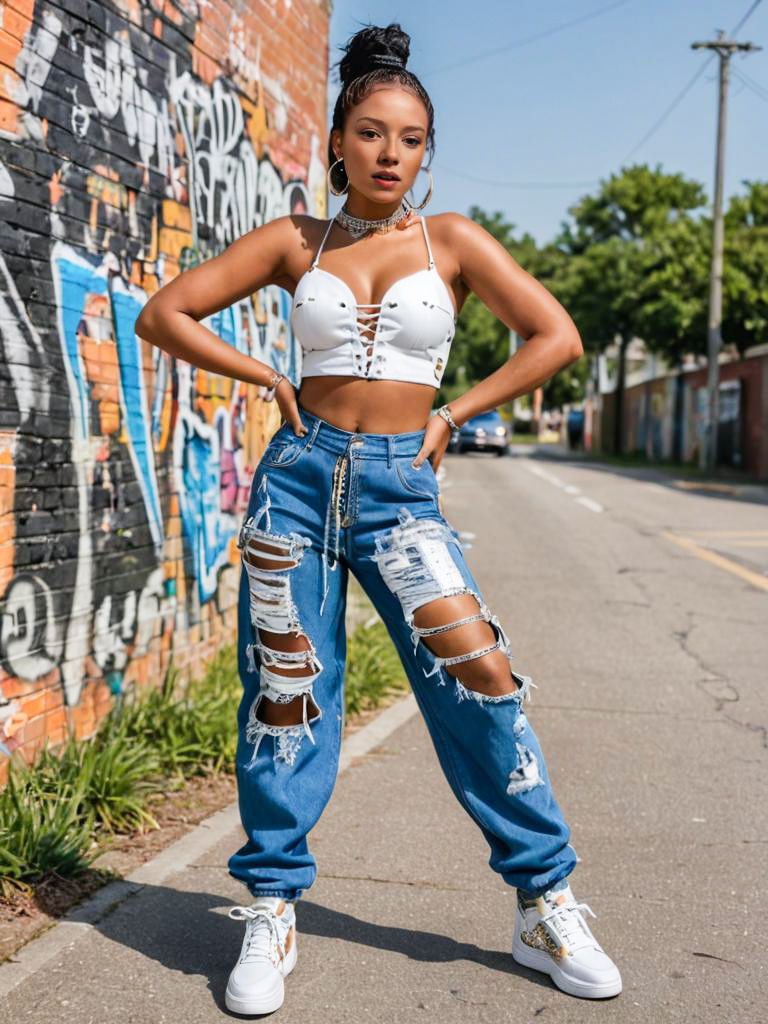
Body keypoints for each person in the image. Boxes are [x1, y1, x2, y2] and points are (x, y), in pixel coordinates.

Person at [136, 22, 622, 1015]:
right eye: (371, 132)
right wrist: (267, 372)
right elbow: (165, 312)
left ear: (425, 152)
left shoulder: (451, 243)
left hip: (402, 489)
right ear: (340, 142)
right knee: (286, 691)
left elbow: (556, 335)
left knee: (480, 681)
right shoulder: (292, 242)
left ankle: (545, 901)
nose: (391, 152)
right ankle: (270, 909)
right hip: (298, 484)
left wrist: (454, 412)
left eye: (410, 137)